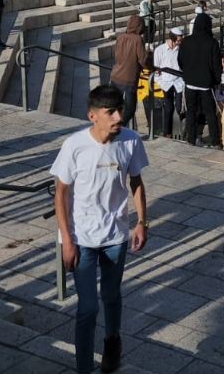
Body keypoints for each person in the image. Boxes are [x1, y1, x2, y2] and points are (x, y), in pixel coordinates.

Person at [51, 85, 150, 374]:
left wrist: (142, 222)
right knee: (87, 309)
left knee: (111, 295)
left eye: (120, 110)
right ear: (93, 116)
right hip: (81, 239)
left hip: (116, 237)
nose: (119, 116)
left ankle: (111, 342)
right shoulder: (74, 145)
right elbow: (61, 195)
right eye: (111, 112)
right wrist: (66, 241)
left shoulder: (130, 141)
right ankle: (83, 367)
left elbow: (136, 182)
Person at [178, 12, 222, 149]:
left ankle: (191, 139)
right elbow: (216, 65)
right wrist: (216, 80)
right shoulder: (212, 43)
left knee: (191, 112)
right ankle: (215, 141)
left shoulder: (186, 41)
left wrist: (187, 72)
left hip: (190, 82)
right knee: (210, 113)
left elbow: (180, 61)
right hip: (206, 84)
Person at [111, 15, 147, 129]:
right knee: (130, 109)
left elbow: (117, 55)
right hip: (129, 78)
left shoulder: (120, 37)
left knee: (116, 105)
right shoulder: (138, 39)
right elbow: (142, 60)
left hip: (116, 76)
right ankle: (118, 128)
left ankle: (114, 126)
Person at [152, 28, 184, 140]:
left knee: (179, 108)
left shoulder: (181, 50)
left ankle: (180, 132)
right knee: (168, 108)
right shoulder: (159, 50)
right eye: (178, 40)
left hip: (179, 82)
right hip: (165, 82)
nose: (180, 42)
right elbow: (156, 70)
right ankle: (167, 133)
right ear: (172, 38)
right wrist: (160, 82)